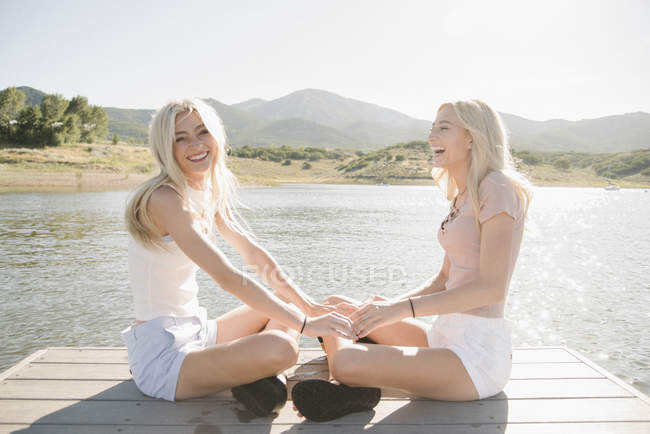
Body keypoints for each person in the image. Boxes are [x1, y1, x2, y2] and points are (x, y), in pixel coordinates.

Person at [291, 99, 533, 422]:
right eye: (431, 128)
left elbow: (492, 289)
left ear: (472, 137)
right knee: (335, 308)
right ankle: (355, 385)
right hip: (442, 338)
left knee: (346, 361)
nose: (431, 136)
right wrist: (389, 305)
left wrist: (400, 311)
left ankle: (350, 380)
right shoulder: (464, 195)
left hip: (476, 359)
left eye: (443, 128)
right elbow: (443, 280)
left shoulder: (498, 188)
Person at [120, 98, 355, 415]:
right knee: (284, 347)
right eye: (180, 138)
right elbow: (227, 277)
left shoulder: (202, 190)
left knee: (284, 302)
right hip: (164, 357)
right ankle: (265, 373)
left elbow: (254, 255)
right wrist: (305, 325)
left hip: (198, 332)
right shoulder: (164, 198)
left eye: (202, 131)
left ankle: (260, 379)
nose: (196, 144)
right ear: (165, 148)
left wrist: (308, 307)